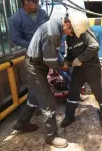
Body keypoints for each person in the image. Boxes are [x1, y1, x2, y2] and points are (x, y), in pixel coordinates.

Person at [12, 13, 75, 148]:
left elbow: (52, 53)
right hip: (35, 67)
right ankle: (51, 136)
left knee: (34, 96)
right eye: (71, 31)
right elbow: (51, 61)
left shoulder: (55, 26)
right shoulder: (53, 32)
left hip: (36, 64)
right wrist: (63, 65)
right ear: (68, 24)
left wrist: (61, 62)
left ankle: (21, 123)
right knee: (48, 100)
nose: (70, 34)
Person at [60, 12, 102, 128]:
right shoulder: (69, 38)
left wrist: (80, 59)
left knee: (97, 90)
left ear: (71, 25)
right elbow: (70, 53)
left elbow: (94, 46)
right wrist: (67, 61)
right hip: (79, 69)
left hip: (91, 67)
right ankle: (69, 116)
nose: (65, 33)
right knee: (73, 90)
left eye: (67, 30)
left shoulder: (85, 31)